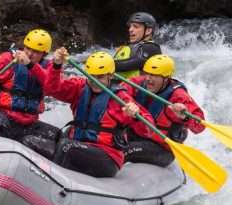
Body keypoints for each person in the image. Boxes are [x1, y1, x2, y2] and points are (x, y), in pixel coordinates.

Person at [41, 49, 154, 178]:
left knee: (66, 146)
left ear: (110, 76)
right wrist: (56, 65)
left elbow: (148, 128)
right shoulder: (80, 88)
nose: (94, 81)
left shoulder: (121, 98)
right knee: (33, 141)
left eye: (100, 77)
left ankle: (51, 182)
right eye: (91, 76)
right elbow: (52, 89)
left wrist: (135, 115)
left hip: (106, 157)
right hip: (79, 147)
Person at [123, 54, 206, 166]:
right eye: (147, 73)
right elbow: (119, 91)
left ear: (166, 78)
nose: (148, 79)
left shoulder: (179, 96)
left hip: (162, 148)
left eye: (154, 75)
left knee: (125, 151)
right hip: (135, 136)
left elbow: (200, 127)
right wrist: (129, 103)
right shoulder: (137, 84)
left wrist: (185, 116)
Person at [0, 29, 60, 146]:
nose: (29, 54)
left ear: (44, 54)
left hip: (30, 123)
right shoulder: (9, 59)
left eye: (35, 51)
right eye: (27, 48)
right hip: (4, 117)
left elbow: (53, 86)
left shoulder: (50, 68)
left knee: (58, 137)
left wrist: (30, 65)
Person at [113, 12, 162, 78]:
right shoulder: (127, 47)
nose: (130, 30)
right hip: (118, 85)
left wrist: (105, 63)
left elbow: (133, 63)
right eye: (130, 26)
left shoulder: (152, 48)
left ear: (148, 31)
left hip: (136, 87)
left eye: (136, 27)